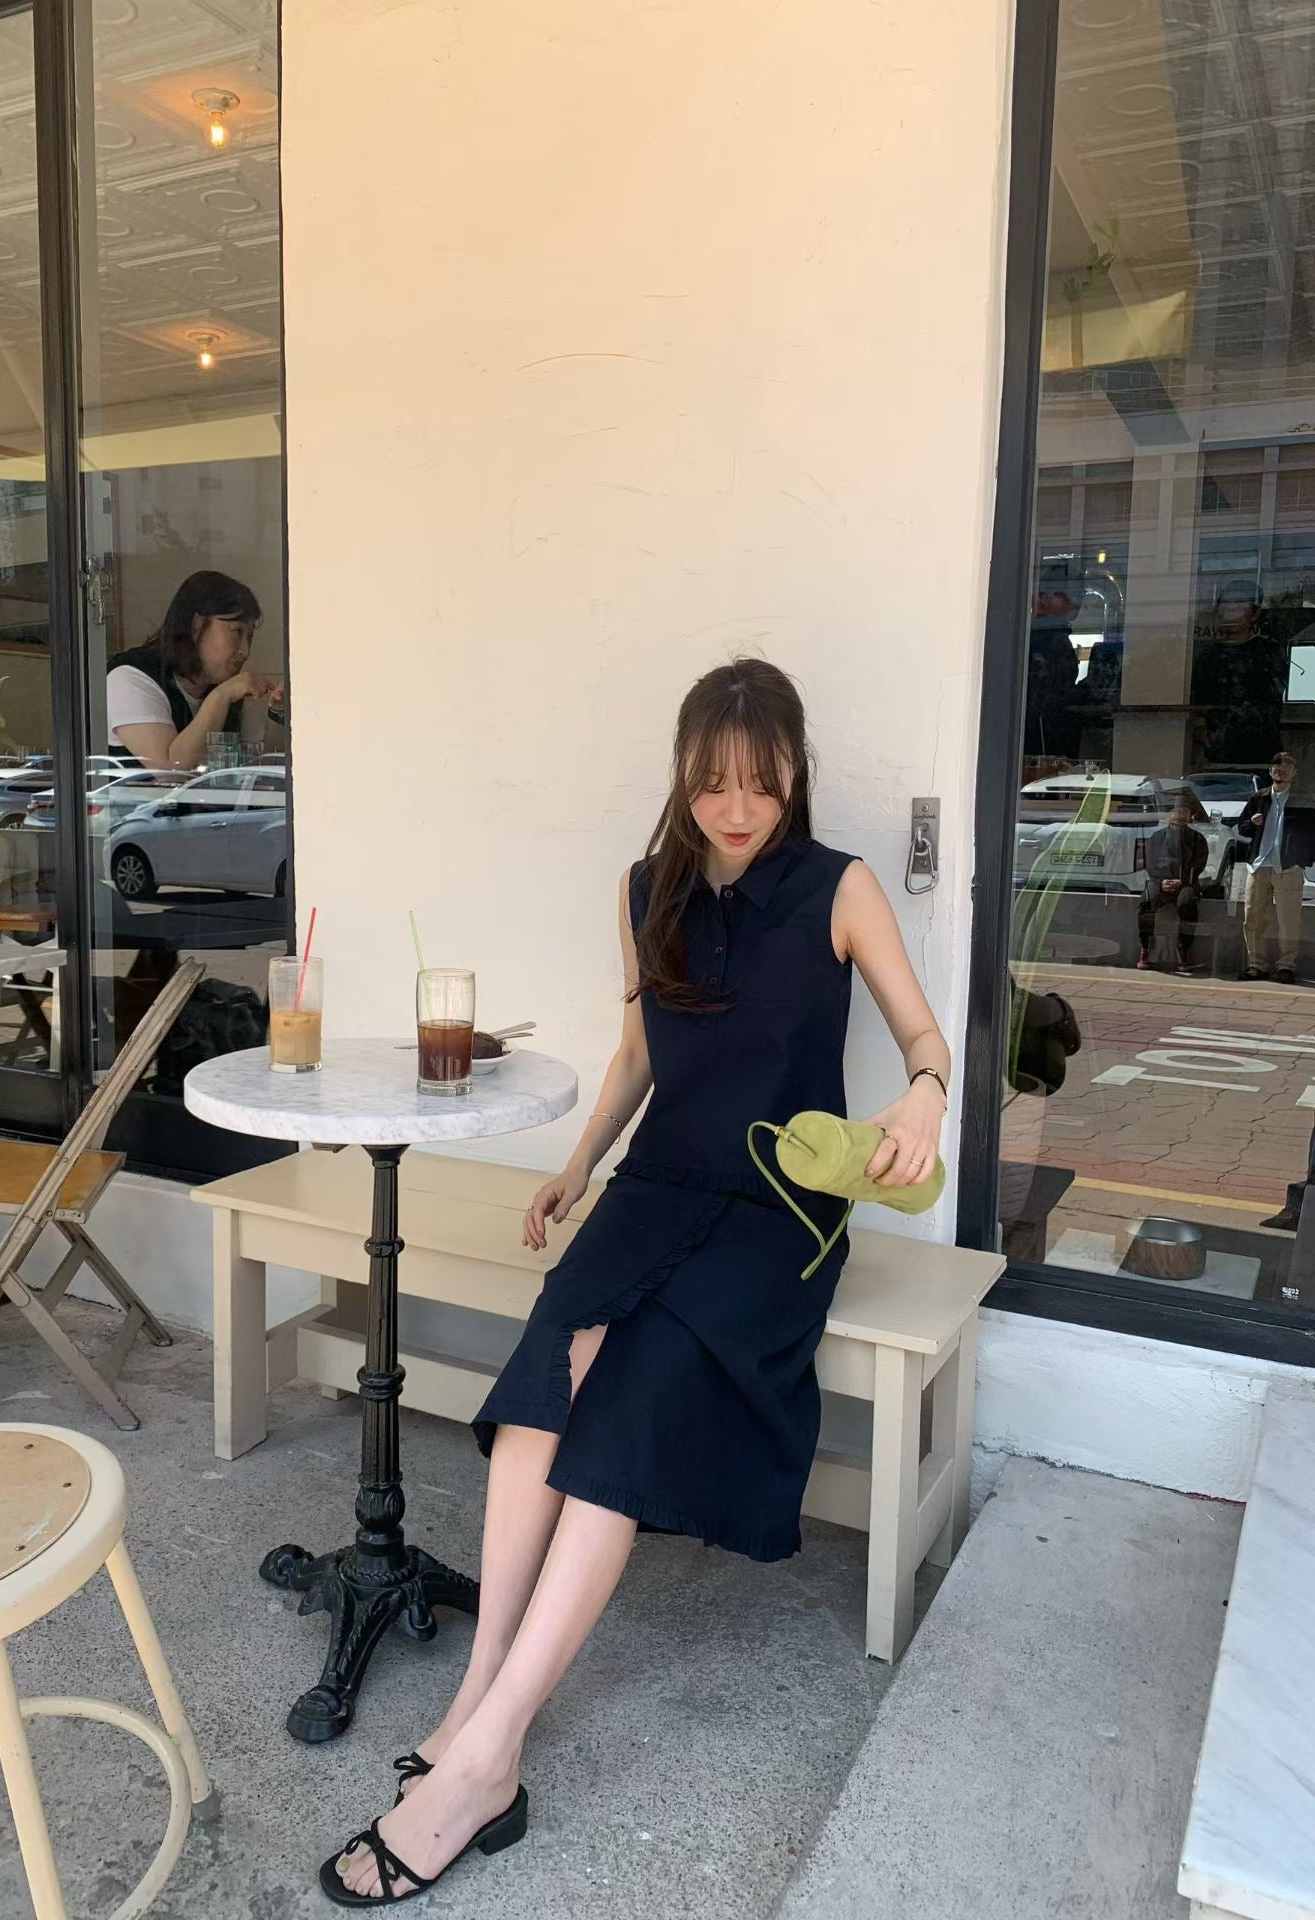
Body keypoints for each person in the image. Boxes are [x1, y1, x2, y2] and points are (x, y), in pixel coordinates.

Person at [323, 659, 951, 1906]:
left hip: (777, 1214)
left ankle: (487, 1761)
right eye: (713, 783)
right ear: (683, 778)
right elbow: (637, 1054)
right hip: (654, 1189)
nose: (737, 807)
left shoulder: (839, 888)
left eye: (761, 782)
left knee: (628, 1399)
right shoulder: (643, 889)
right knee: (541, 1388)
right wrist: (577, 1164)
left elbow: (925, 1037)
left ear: (794, 774)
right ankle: (480, 1689)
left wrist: (928, 1094)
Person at [106, 570, 282, 770]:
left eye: (250, 637)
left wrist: (279, 713)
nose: (245, 651)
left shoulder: (223, 687)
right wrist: (221, 697)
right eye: (237, 632)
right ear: (196, 626)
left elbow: (255, 770)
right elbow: (171, 769)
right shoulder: (130, 678)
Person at [1191, 580, 1289, 771]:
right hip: (1219, 751)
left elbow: (1274, 696)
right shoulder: (1208, 656)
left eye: (1238, 605)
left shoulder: (1269, 652)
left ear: (1255, 613)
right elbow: (1199, 699)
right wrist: (1200, 727)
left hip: (1261, 749)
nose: (1230, 611)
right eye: (1225, 605)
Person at [1237, 752, 1315, 983]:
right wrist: (1252, 823)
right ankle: (1256, 965)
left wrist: (1303, 859)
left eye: (1287, 766)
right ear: (1270, 772)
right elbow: (1241, 827)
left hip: (1288, 867)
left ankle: (1286, 966)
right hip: (1259, 866)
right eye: (1277, 767)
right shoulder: (1258, 798)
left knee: (1288, 921)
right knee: (1252, 918)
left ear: (1295, 773)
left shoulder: (1302, 800)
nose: (1281, 770)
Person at [1137, 789, 1208, 975]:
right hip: (1160, 883)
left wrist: (1182, 882)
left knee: (1187, 902)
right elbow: (1150, 863)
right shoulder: (1156, 838)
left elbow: (1199, 865)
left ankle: (1183, 950)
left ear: (1189, 816)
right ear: (1169, 815)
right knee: (1147, 901)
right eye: (1176, 812)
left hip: (1185, 884)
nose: (1180, 816)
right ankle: (1146, 948)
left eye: (1184, 812)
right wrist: (1161, 881)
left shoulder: (1198, 839)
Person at [1023, 557, 1083, 763]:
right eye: (1065, 595)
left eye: (1079, 594)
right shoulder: (1042, 640)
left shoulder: (1051, 637)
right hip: (1043, 736)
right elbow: (1048, 695)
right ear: (1043, 597)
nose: (1076, 601)